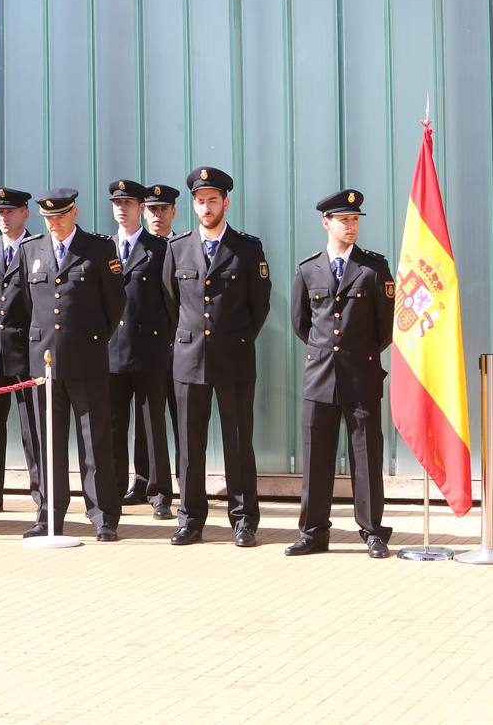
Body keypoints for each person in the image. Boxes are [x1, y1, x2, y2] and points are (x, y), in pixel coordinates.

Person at [162, 167, 271, 547]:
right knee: (189, 446)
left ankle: (243, 520)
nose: (206, 207)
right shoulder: (177, 248)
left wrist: (235, 339)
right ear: (193, 205)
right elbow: (169, 303)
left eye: (212, 200)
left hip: (234, 357)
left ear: (226, 202)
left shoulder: (247, 248)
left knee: (238, 442)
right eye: (200, 200)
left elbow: (259, 306)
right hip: (189, 359)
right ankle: (190, 519)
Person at [286, 189, 394, 559]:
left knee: (367, 457)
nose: (351, 226)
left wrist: (355, 355)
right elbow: (302, 323)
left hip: (360, 375)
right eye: (344, 220)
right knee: (316, 457)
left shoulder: (374, 268)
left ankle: (373, 531)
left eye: (355, 220)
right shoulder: (307, 268)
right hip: (319, 378)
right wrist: (327, 357)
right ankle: (314, 532)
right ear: (326, 223)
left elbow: (386, 327)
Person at [17, 188, 125, 541]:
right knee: (48, 443)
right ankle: (49, 513)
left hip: (86, 358)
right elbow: (23, 306)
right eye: (48, 218)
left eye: (60, 216)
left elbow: (114, 305)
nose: (55, 223)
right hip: (43, 364)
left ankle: (103, 515)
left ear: (74, 213)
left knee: (94, 442)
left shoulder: (98, 249)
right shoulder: (31, 249)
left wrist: (90, 341)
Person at [106, 180, 174, 520]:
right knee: (114, 425)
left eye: (129, 203)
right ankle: (115, 489)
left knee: (152, 424)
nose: (122, 209)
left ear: (141, 209)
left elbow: (171, 301)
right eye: (117, 203)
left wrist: (166, 341)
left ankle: (159, 491)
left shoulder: (159, 249)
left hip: (149, 348)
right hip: (111, 350)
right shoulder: (103, 248)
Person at [0, 187, 39, 513]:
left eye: (11, 212)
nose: (5, 218)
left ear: (25, 213)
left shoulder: (36, 248)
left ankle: (42, 495)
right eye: (0, 212)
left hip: (25, 351)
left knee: (34, 430)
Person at [129, 183, 181, 504]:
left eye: (163, 209)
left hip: (178, 347)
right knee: (145, 416)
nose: (157, 215)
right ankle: (144, 480)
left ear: (174, 212)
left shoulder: (183, 246)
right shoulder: (135, 249)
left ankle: (184, 483)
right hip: (146, 347)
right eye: (152, 209)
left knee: (182, 419)